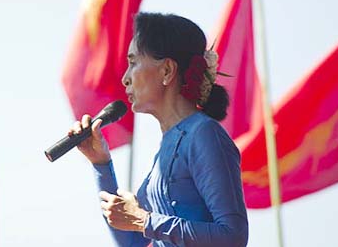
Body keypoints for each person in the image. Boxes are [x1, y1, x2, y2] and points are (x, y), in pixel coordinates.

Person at [69, 12, 249, 246]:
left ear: (166, 71)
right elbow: (132, 240)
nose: (125, 78)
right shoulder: (167, 146)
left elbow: (232, 237)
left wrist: (144, 220)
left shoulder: (204, 134)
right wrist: (101, 164)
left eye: (133, 62)